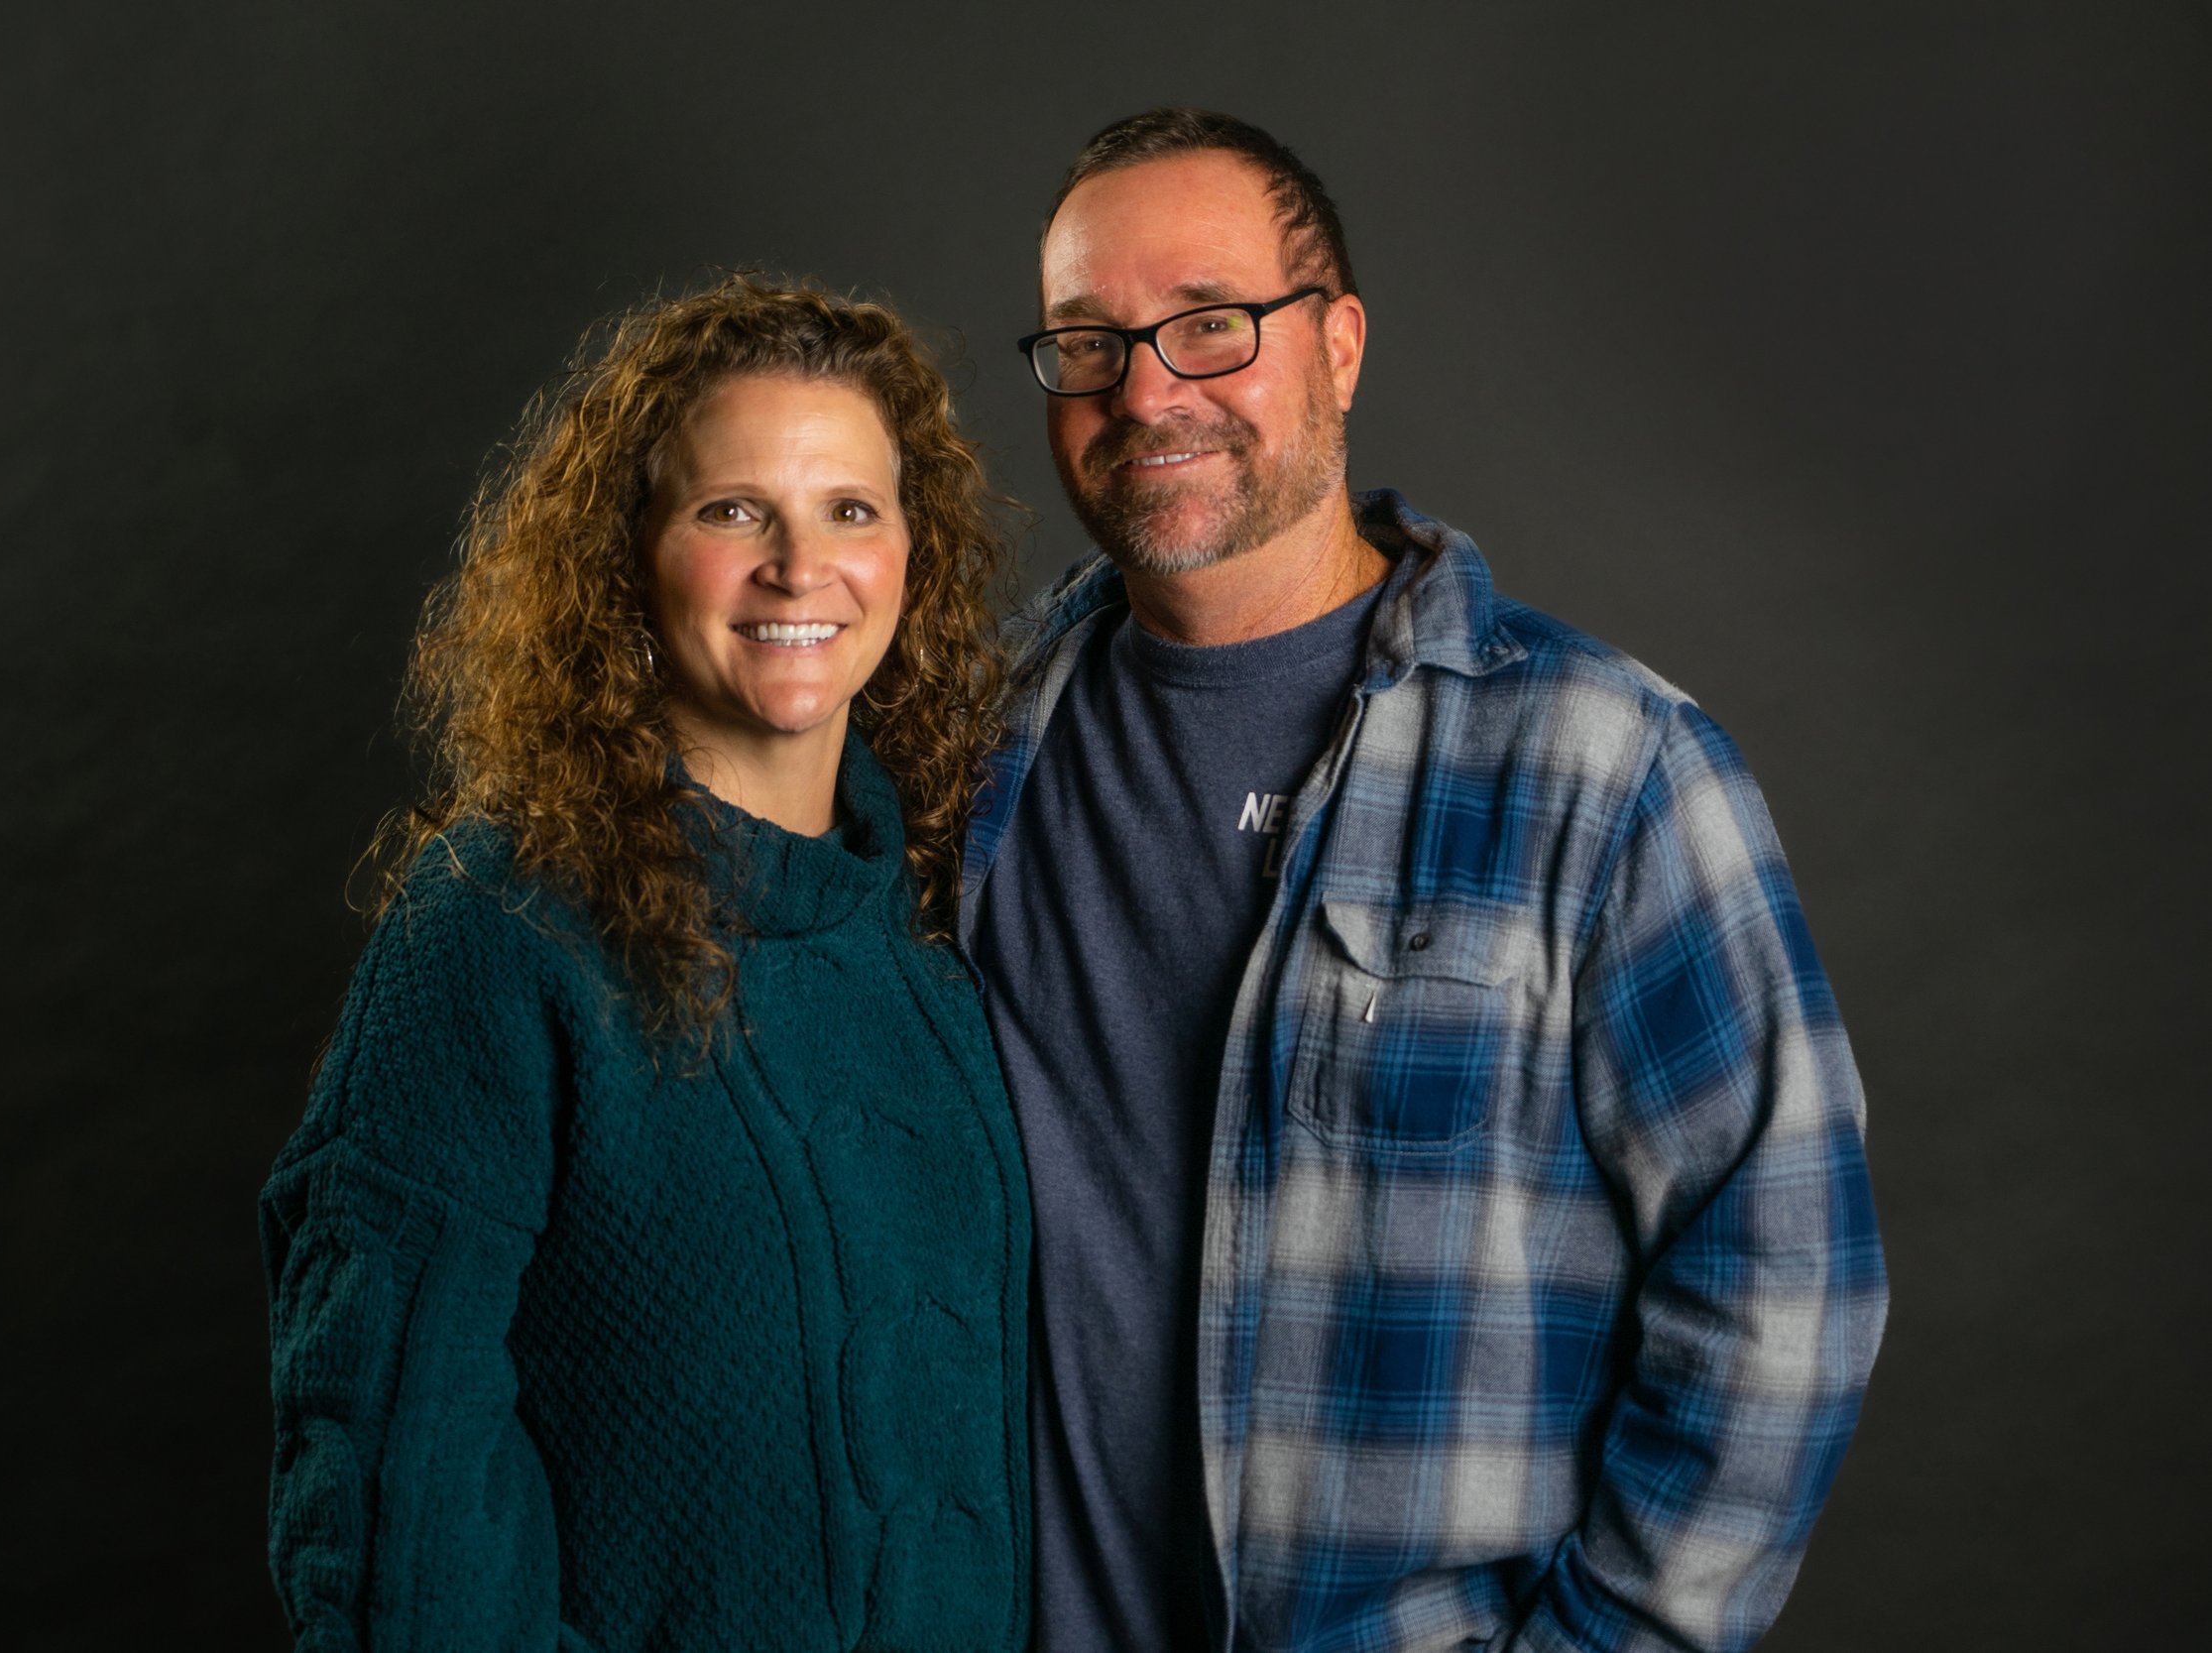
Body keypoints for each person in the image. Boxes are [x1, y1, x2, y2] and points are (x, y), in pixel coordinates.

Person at [962, 108, 1889, 1653]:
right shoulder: (975, 742)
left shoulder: (1607, 769)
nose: (1144, 391)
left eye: (1209, 324)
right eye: (1088, 340)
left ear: (1338, 345)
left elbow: (1790, 1282)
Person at [261, 277, 1032, 1652]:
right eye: (732, 510)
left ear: (914, 554)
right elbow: (393, 1488)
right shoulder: (499, 930)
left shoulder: (930, 937)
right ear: (629, 551)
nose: (800, 566)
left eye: (851, 509)